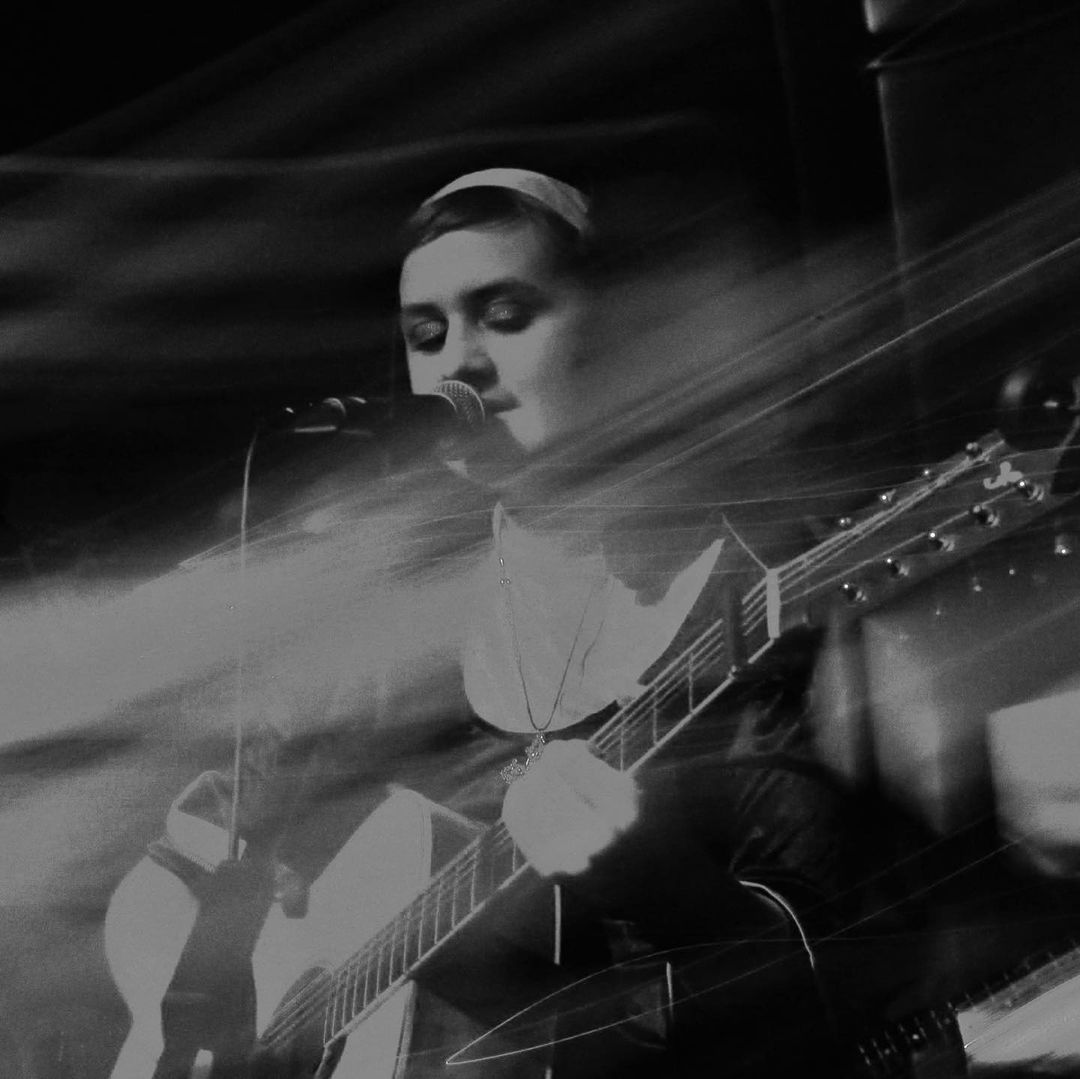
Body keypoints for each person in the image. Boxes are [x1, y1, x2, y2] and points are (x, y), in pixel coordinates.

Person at [103, 167, 855, 1078]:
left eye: (505, 315)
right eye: (426, 335)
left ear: (612, 334)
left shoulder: (764, 590)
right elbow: (166, 880)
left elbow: (844, 990)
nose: (456, 364)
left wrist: (666, 884)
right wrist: (202, 1019)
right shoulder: (391, 621)